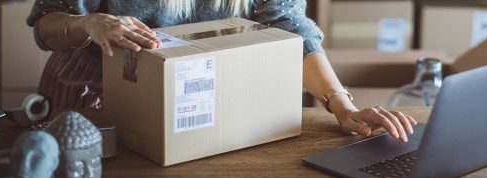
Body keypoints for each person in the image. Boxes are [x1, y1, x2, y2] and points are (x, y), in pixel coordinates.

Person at [28, 0, 417, 142]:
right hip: (90, 95)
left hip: (198, 101)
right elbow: (46, 22)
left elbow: (293, 31)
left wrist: (342, 106)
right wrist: (89, 22)